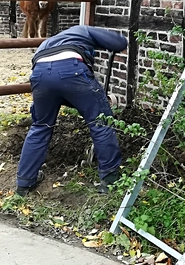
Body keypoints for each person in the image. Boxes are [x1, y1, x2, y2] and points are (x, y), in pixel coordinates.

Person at [16, 25, 128, 196]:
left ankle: (24, 184)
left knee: (40, 126)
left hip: (39, 75)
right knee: (101, 123)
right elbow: (119, 42)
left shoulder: (48, 42)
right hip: (72, 69)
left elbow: (60, 90)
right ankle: (110, 181)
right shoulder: (83, 30)